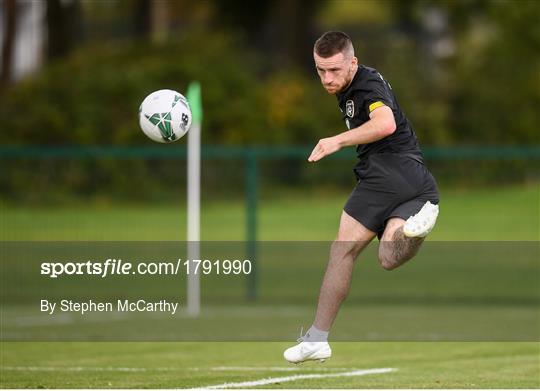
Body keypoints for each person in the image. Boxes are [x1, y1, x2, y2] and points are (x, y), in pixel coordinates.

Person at [283, 31, 440, 364]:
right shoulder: (355, 83)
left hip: (387, 170)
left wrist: (337, 141)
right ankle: (416, 230)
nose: (327, 78)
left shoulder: (367, 85)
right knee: (388, 256)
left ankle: (316, 339)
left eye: (335, 70)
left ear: (352, 63)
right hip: (415, 179)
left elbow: (385, 124)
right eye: (320, 70)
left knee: (342, 251)